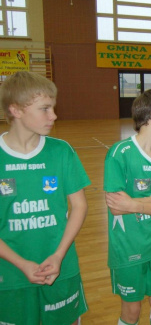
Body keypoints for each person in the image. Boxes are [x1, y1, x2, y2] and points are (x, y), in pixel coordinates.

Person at [0, 71, 90, 324]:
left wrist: (58, 255)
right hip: (10, 275)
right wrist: (22, 263)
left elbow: (79, 207)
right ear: (16, 110)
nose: (54, 115)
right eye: (44, 109)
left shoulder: (61, 151)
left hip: (61, 267)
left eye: (53, 107)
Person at [103, 89, 151, 325]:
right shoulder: (120, 154)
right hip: (127, 250)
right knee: (132, 310)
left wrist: (133, 203)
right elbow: (117, 207)